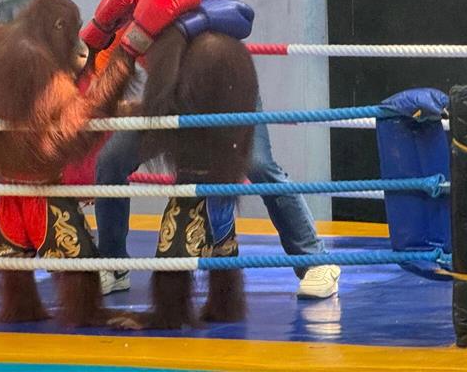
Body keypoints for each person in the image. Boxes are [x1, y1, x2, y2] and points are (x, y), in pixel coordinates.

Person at [94, 84, 340, 300]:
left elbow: (241, 28)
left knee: (258, 165)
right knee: (111, 160)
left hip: (230, 90)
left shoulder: (192, 31)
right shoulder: (130, 31)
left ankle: (314, 260)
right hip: (171, 99)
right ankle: (113, 262)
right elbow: (98, 52)